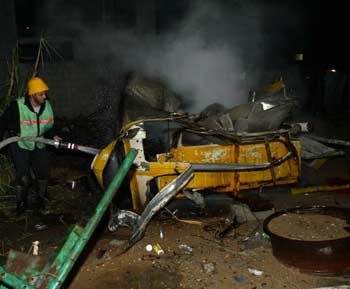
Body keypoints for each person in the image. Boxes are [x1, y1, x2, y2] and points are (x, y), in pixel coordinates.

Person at [0, 76, 61, 216]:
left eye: (45, 93)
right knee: (23, 176)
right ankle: (21, 205)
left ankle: (42, 200)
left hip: (39, 143)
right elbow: (2, 123)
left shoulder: (46, 105)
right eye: (41, 94)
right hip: (20, 144)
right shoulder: (17, 106)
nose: (45, 97)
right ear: (32, 94)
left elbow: (50, 125)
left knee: (43, 172)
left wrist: (54, 135)